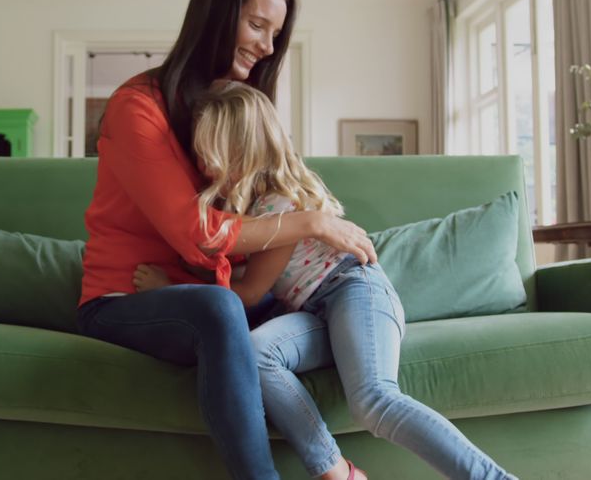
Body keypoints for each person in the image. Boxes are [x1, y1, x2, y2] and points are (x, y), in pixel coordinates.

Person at [77, 0, 378, 480]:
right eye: (257, 25)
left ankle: (337, 469)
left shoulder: (234, 114)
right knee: (219, 308)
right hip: (126, 300)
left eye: (275, 34)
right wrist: (310, 222)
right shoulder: (137, 107)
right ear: (215, 16)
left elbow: (269, 209)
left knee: (306, 313)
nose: (266, 45)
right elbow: (199, 236)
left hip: (221, 295)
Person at [134, 82, 517, 480]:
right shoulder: (254, 210)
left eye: (207, 152)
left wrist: (170, 291)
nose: (201, 164)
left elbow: (247, 294)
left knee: (374, 400)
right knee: (258, 353)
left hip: (355, 290)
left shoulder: (281, 207)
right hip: (315, 309)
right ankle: (338, 472)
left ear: (239, 151)